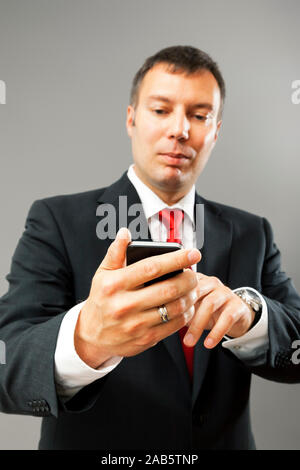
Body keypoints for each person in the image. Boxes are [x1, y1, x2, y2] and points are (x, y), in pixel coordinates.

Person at [0, 45, 299, 450]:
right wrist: (87, 337)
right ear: (131, 118)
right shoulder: (57, 220)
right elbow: (8, 365)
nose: (180, 130)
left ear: (216, 130)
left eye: (199, 115)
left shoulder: (252, 232)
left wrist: (251, 316)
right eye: (160, 110)